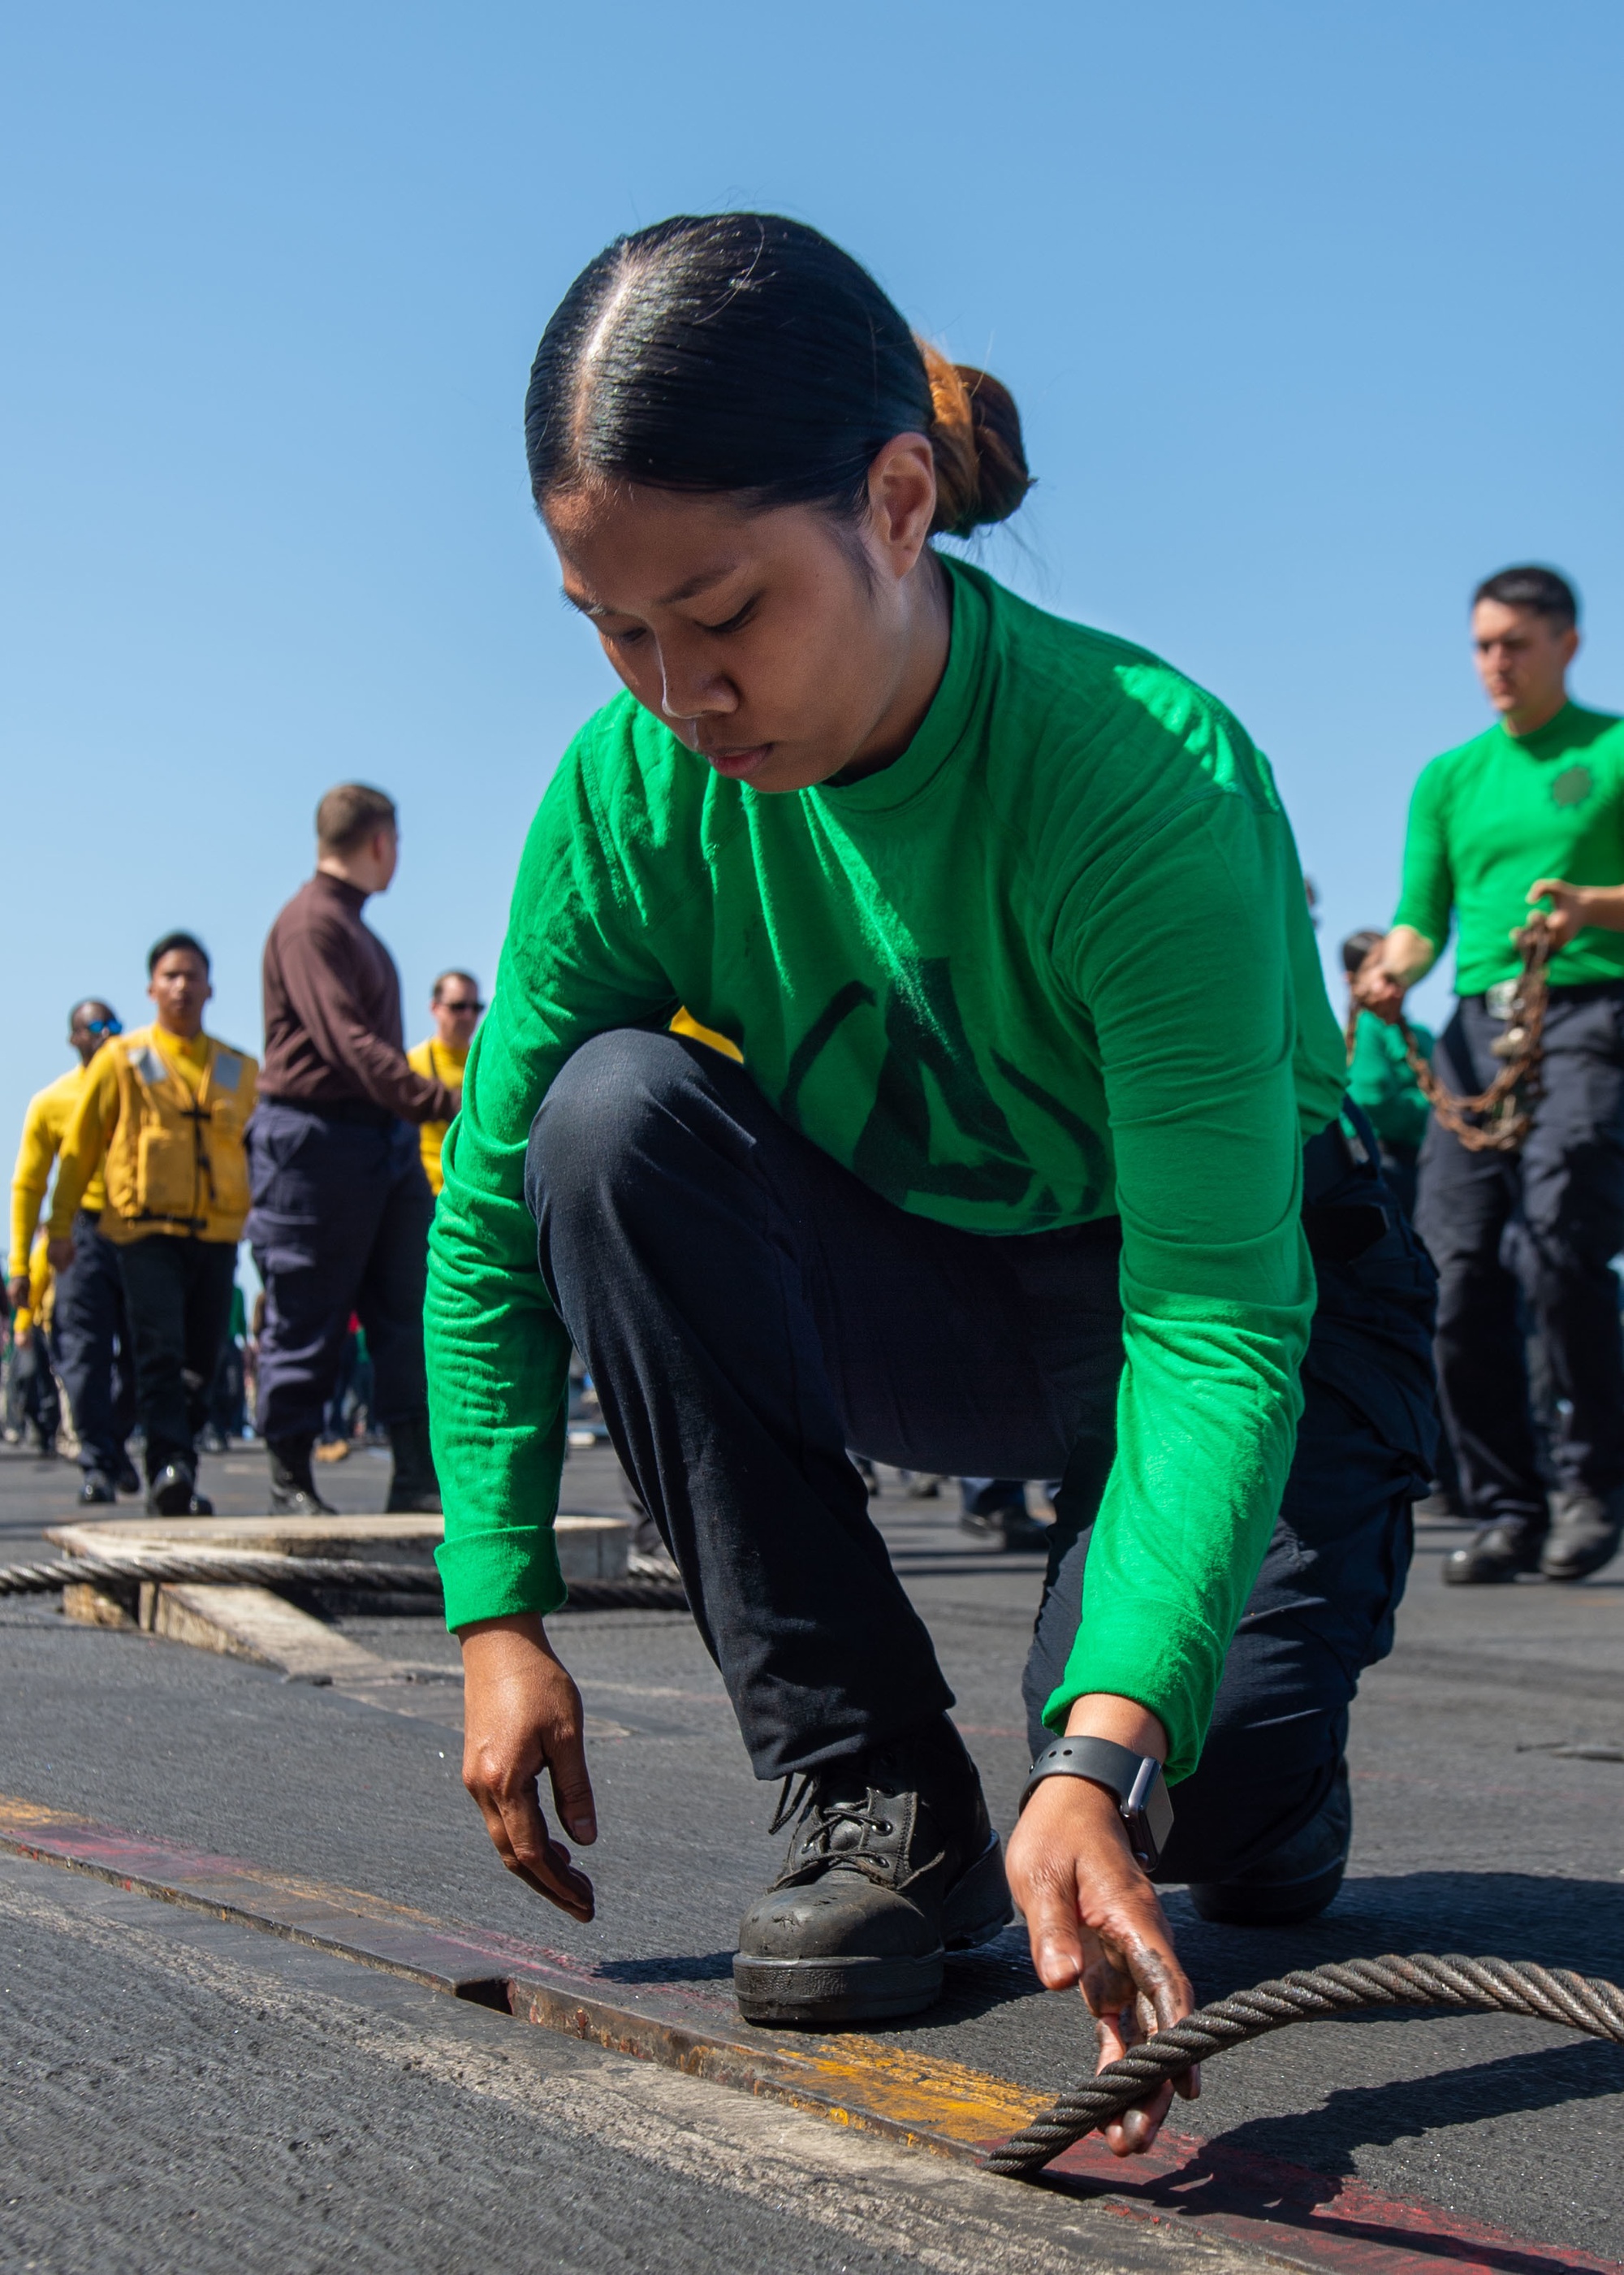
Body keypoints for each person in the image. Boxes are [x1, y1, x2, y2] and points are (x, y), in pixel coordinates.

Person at [426, 214, 1436, 2158]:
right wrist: (495, 1607)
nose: (674, 692)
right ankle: (874, 1799)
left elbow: (1212, 1317)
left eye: (721, 614)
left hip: (1220, 1307)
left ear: (897, 504)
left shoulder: (1139, 780)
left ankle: (1260, 1763)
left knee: (1201, 1810)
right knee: (605, 1123)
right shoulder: (630, 799)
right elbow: (489, 1219)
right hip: (932, 1298)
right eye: (612, 630)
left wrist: (1102, 1746)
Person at [1357, 566, 1624, 1588]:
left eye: (1513, 642)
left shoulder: (1608, 750)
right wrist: (1394, 967)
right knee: (1454, 1271)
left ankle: (1591, 1484)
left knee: (1557, 1247)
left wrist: (1589, 906)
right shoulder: (1449, 776)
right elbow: (1422, 914)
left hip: (1589, 1012)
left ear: (1567, 642)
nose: (1493, 664)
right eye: (1481, 645)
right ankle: (1507, 1504)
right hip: (1476, 1026)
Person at [249, 784, 459, 1519]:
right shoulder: (312, 924)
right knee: (307, 1309)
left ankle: (414, 1474)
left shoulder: (355, 929)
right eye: (397, 844)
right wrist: (442, 1101)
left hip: (380, 1143)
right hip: (316, 1141)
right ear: (379, 842)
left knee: (407, 1310)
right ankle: (289, 1478)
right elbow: (351, 1044)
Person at [47, 935, 257, 1516]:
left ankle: (179, 1460)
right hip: (143, 1235)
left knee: (205, 1359)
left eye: (192, 975)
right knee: (158, 1351)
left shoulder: (240, 1069)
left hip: (216, 1237)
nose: (182, 986)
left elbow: (259, 1154)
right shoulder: (121, 1059)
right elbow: (79, 1149)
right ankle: (170, 1466)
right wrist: (59, 1226)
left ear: (210, 987)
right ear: (151, 988)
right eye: (170, 975)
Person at [9, 1000, 140, 1503]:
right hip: (79, 1237)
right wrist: (21, 1264)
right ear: (74, 1039)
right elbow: (28, 1186)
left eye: (115, 1027)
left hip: (139, 1233)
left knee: (143, 1356)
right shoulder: (51, 1102)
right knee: (82, 1356)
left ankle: (116, 1444)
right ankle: (99, 1463)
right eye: (97, 1027)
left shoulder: (143, 1093)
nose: (108, 1035)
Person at [1340, 930, 1433, 1218]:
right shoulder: (1367, 1028)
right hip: (1382, 1162)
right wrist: (1431, 1113)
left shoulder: (1423, 1036)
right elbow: (1373, 1096)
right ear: (1352, 980)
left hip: (1420, 1160)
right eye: (1377, 968)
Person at [407, 972, 484, 1195]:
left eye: (476, 1007)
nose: (468, 1015)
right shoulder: (412, 1064)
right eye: (458, 1006)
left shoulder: (486, 1064)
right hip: (426, 1192)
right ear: (435, 1008)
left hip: (473, 1191)